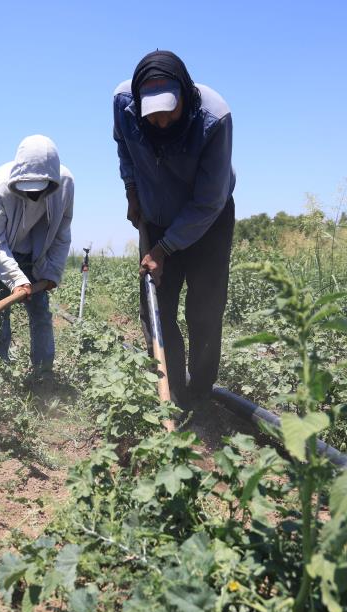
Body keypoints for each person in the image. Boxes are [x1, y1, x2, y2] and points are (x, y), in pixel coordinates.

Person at [113, 50, 235, 411]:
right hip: (156, 216)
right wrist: (131, 191)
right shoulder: (123, 103)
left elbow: (209, 200)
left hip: (207, 221)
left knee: (204, 310)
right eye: (154, 115)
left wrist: (163, 250)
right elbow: (124, 148)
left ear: (185, 94)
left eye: (170, 111)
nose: (162, 123)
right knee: (156, 307)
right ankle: (171, 393)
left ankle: (199, 394)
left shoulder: (215, 118)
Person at [0, 135, 73, 376]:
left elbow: (62, 231)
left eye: (39, 190)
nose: (33, 196)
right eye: (27, 190)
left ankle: (43, 373)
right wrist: (16, 279)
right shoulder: (0, 185)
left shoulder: (66, 184)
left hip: (34, 255)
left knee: (41, 315)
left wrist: (52, 272)